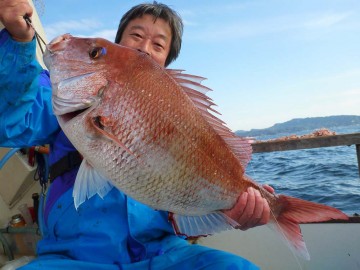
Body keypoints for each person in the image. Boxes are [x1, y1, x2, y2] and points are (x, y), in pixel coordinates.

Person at [0, 1, 274, 269]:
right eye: (136, 35)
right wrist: (20, 41)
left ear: (166, 60)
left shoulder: (179, 113)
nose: (144, 48)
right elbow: (11, 121)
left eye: (158, 45)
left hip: (163, 254)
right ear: (119, 43)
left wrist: (234, 212)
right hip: (73, 256)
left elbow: (189, 209)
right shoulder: (59, 93)